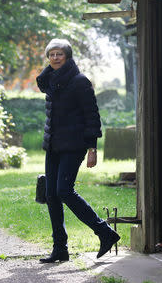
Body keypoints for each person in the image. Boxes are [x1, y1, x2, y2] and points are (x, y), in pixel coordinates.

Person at [36, 38, 120, 263]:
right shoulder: (53, 82)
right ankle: (60, 249)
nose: (55, 58)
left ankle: (104, 232)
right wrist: (50, 71)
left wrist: (92, 148)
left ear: (68, 56)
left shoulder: (79, 81)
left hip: (74, 146)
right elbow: (42, 83)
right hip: (53, 145)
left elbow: (92, 116)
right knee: (51, 194)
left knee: (64, 190)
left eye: (59, 54)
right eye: (51, 54)